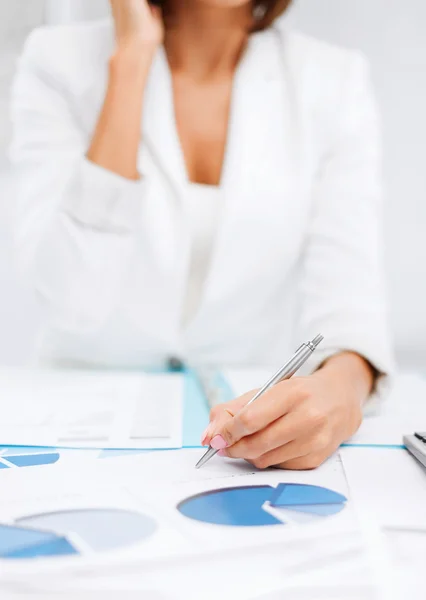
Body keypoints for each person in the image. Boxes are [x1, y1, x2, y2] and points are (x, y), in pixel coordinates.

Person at [10, 0, 392, 470]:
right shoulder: (57, 60)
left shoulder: (333, 80)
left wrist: (338, 392)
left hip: (242, 424)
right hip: (73, 421)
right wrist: (131, 60)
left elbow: (349, 305)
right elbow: (71, 301)